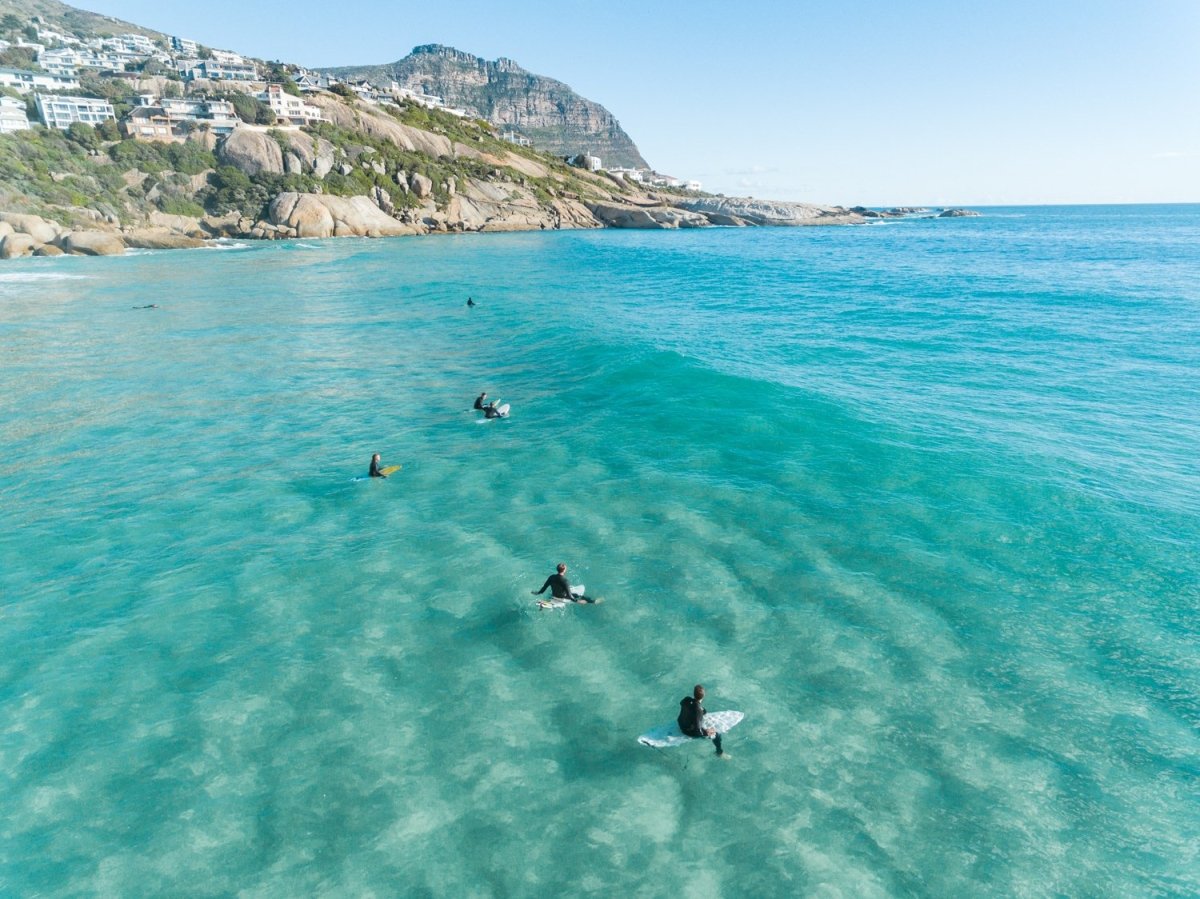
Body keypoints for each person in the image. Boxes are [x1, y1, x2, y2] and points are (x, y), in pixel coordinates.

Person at [679, 684, 723, 755]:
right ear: (704, 695)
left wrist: (701, 709)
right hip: (687, 731)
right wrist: (706, 732)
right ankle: (719, 752)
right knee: (717, 734)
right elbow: (697, 730)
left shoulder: (687, 699)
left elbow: (681, 703)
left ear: (694, 693)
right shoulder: (698, 711)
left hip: (681, 724)